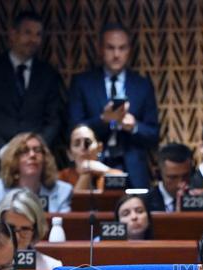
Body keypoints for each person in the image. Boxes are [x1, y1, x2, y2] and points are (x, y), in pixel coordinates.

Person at [0, 10, 64, 176]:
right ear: (13, 34)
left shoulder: (49, 74)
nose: (33, 40)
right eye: (27, 33)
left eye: (38, 34)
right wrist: (3, 150)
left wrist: (34, 150)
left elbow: (54, 120)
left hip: (36, 164)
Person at [67, 23, 160, 188]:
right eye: (110, 48)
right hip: (93, 166)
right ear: (100, 49)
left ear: (129, 50)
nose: (116, 54)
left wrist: (133, 127)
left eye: (122, 48)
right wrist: (105, 120)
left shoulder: (142, 85)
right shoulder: (83, 83)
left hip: (133, 169)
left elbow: (154, 135)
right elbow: (74, 129)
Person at [0, 132, 72, 214]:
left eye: (37, 150)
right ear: (13, 159)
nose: (32, 155)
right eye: (24, 151)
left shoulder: (62, 191)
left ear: (45, 158)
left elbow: (65, 227)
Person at [0, 188, 62, 270]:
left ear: (36, 230)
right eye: (10, 228)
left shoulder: (52, 267)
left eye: (25, 229)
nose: (17, 237)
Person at [59, 123, 122, 191]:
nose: (83, 147)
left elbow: (121, 185)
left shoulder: (112, 173)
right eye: (77, 144)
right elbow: (73, 201)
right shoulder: (62, 178)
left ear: (99, 148)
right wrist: (86, 174)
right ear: (69, 154)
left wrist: (105, 170)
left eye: (88, 142)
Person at [145, 142, 194, 213]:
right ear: (159, 175)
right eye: (173, 177)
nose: (180, 184)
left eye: (185, 176)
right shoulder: (145, 204)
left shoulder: (199, 199)